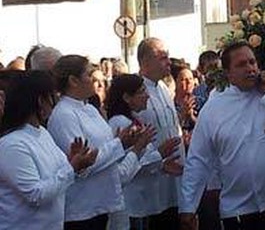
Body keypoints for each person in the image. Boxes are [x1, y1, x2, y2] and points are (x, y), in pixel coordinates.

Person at [179, 41, 265, 230]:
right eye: (241, 64)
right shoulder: (213, 108)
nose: (250, 68)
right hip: (239, 209)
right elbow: (198, 159)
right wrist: (188, 207)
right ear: (227, 73)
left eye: (252, 62)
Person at [47, 55, 139, 230]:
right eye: (89, 75)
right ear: (73, 80)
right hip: (82, 209)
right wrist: (119, 144)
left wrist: (123, 143)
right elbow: (83, 164)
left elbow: (105, 147)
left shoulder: (89, 108)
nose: (97, 80)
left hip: (101, 204)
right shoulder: (64, 115)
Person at [0, 71, 97, 230]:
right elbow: (36, 194)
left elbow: (54, 174)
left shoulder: (42, 133)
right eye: (53, 96)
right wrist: (71, 168)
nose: (57, 100)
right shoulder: (12, 144)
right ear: (40, 101)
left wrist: (72, 161)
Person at [105, 74, 182, 229]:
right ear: (127, 97)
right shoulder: (121, 124)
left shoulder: (132, 119)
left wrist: (162, 163)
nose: (147, 96)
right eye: (141, 92)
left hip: (141, 203)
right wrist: (160, 153)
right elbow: (129, 166)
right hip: (131, 204)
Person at [135, 37, 184, 228]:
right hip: (151, 178)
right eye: (163, 57)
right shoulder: (138, 92)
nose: (168, 62)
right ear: (146, 62)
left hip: (174, 174)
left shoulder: (163, 87)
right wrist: (159, 161)